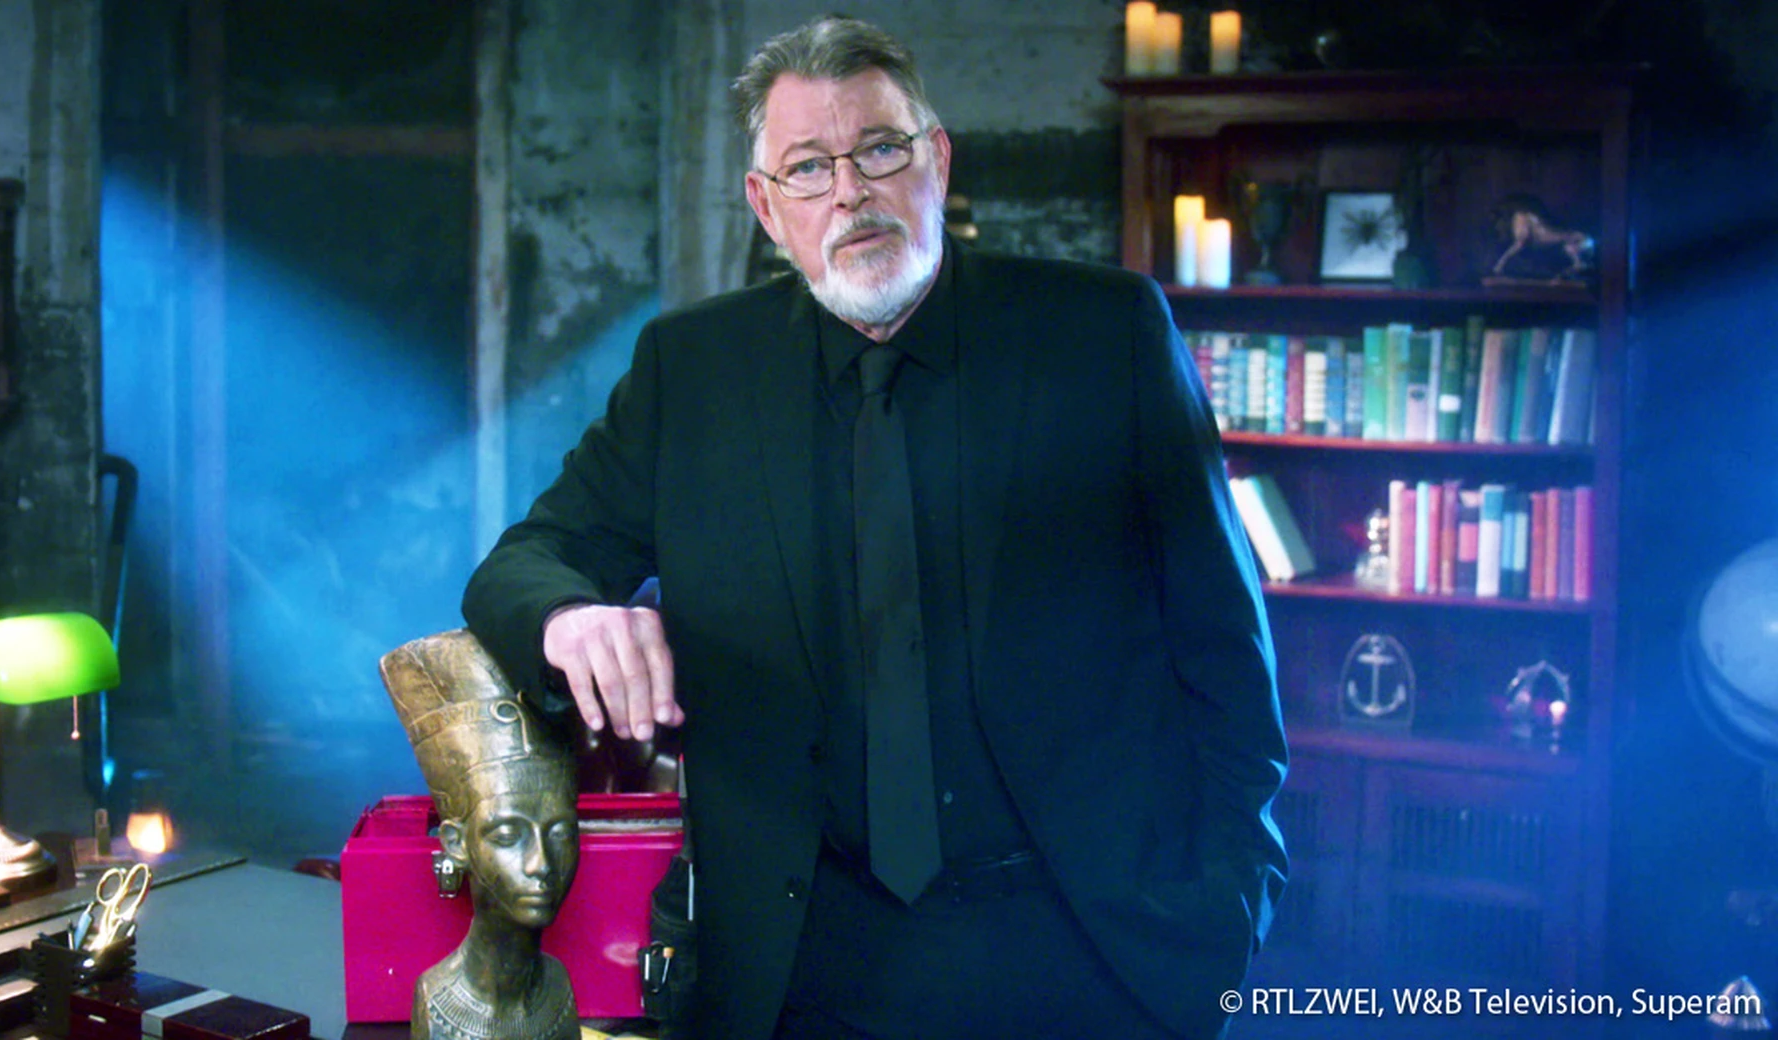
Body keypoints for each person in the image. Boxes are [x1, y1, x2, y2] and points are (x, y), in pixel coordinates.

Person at [464, 15, 1287, 1040]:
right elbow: (523, 562)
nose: (850, 191)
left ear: (936, 160)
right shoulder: (693, 371)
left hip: (1085, 946)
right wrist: (569, 617)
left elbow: (1226, 649)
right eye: (809, 167)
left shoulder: (1104, 334)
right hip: (796, 964)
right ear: (767, 206)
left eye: (880, 150)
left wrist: (1227, 908)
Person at [380, 631, 582, 1040]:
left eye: (560, 833)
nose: (541, 864)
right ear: (457, 843)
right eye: (508, 835)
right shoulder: (436, 1002)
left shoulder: (558, 986)